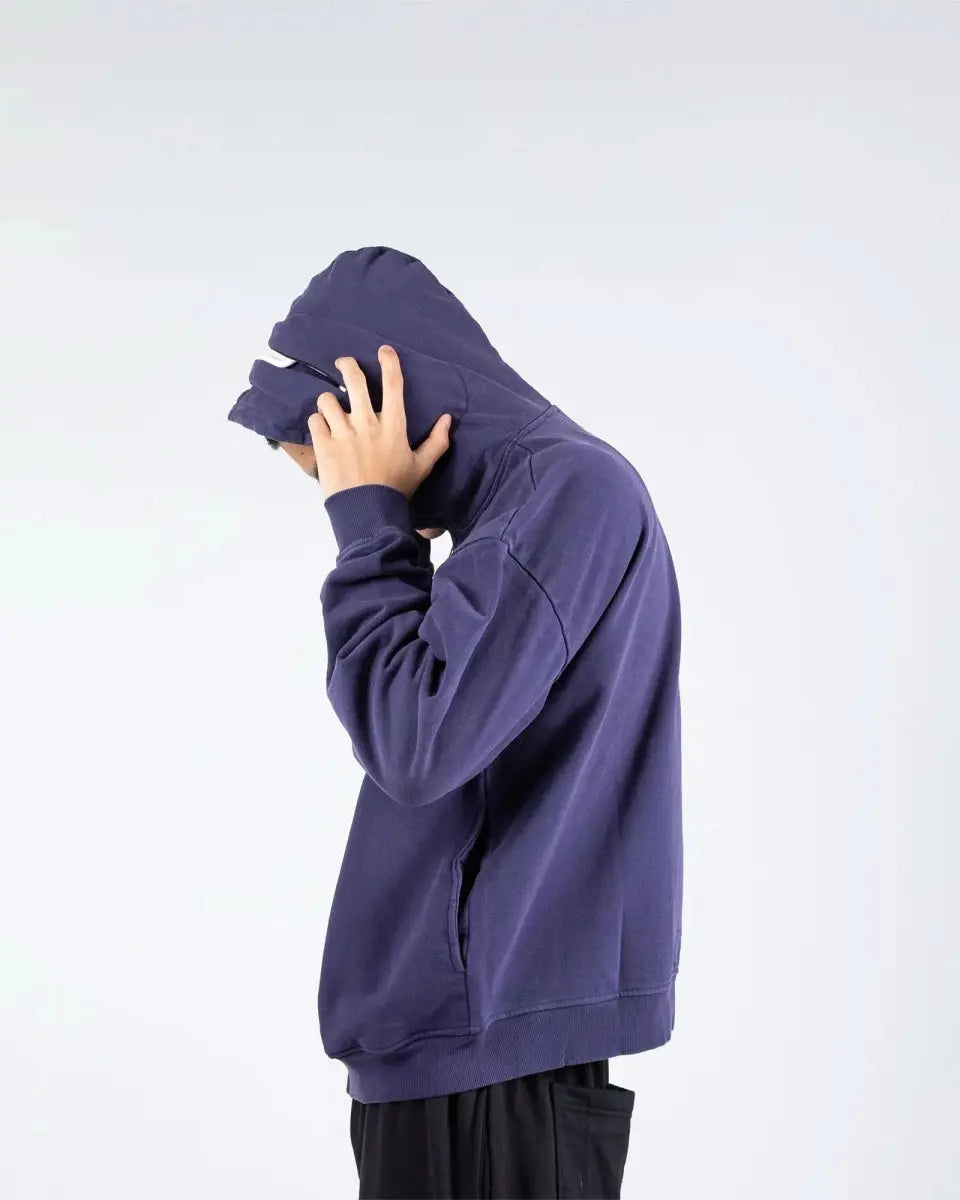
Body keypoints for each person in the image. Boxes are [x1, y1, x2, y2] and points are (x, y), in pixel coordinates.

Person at [227, 246, 683, 1199]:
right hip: (465, 1059)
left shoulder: (567, 491)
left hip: (486, 1073)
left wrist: (371, 523)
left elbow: (416, 743)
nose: (326, 486)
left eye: (327, 460)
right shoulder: (531, 507)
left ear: (378, 401)